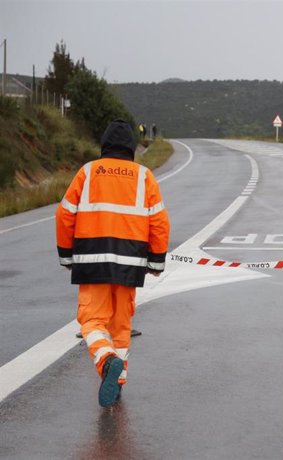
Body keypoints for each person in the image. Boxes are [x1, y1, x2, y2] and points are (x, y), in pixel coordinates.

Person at [56, 120, 170, 407]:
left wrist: (66, 256)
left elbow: (65, 214)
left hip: (92, 260)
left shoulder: (88, 172)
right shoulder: (144, 176)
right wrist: (156, 262)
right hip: (130, 264)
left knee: (92, 321)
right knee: (120, 326)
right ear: (131, 148)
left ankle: (107, 361)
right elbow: (159, 222)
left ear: (103, 146)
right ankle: (117, 382)